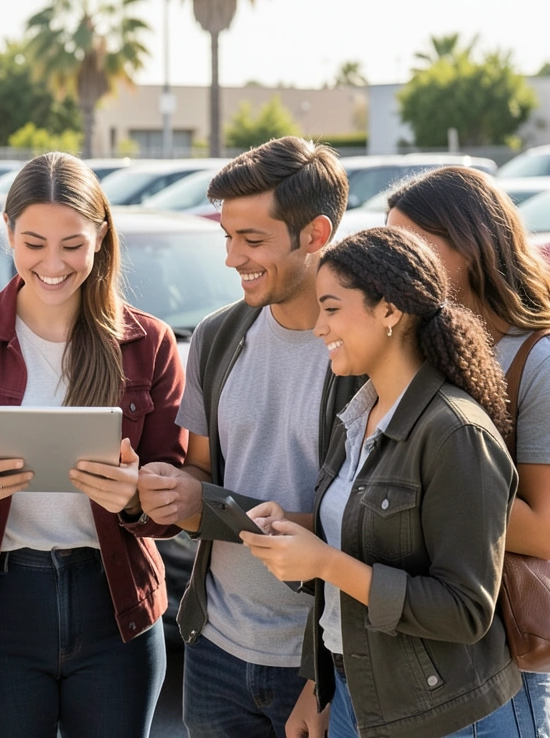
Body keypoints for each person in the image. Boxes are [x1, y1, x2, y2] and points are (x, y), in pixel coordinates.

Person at [0, 152, 187, 738]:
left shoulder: (148, 344)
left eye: (72, 244)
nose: (53, 263)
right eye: (33, 242)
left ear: (101, 237)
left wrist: (137, 496)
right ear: (8, 232)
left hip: (116, 606)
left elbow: (174, 495)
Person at [247, 227, 523, 738]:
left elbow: (465, 609)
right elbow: (368, 534)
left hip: (450, 717)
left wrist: (325, 563)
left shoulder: (456, 433)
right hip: (362, 698)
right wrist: (295, 528)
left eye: (331, 309)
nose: (317, 328)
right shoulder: (358, 415)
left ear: (390, 311)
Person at [135, 137, 362, 737]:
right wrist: (167, 489)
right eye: (228, 237)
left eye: (253, 240)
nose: (233, 258)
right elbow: (202, 478)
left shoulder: (369, 351)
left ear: (315, 234)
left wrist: (325, 676)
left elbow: (376, 525)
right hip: (214, 651)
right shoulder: (215, 337)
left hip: (321, 660)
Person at [385, 166, 550, 737]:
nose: (395, 261)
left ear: (472, 244)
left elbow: (544, 531)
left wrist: (408, 493)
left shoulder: (549, 360)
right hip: (399, 655)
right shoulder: (417, 343)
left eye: (411, 244)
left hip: (494, 676)